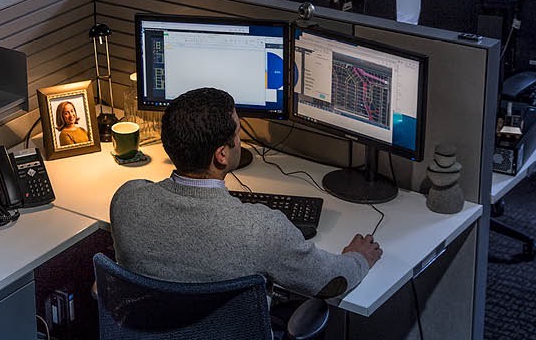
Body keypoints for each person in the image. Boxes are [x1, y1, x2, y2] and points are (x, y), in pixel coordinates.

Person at [110, 87, 381, 299]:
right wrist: (358, 258)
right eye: (238, 133)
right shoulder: (263, 229)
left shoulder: (127, 200)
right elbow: (331, 283)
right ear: (222, 155)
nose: (241, 141)